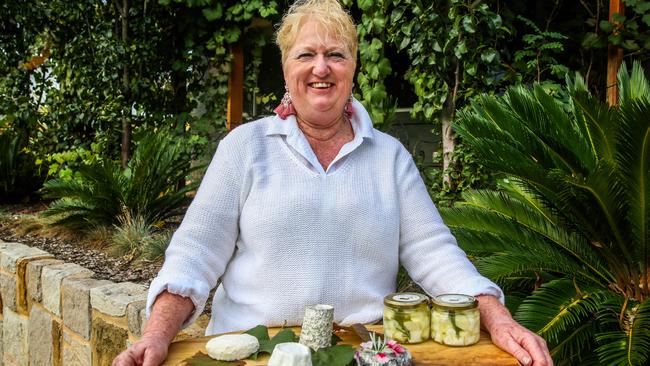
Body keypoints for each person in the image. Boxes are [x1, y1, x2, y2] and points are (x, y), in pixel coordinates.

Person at [113, 0, 553, 365]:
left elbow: (435, 252)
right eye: (305, 55)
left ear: (353, 67)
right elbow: (194, 255)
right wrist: (156, 334)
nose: (320, 68)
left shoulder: (389, 157)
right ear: (286, 70)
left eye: (336, 55)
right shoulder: (245, 148)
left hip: (361, 355)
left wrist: (498, 317)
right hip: (253, 355)